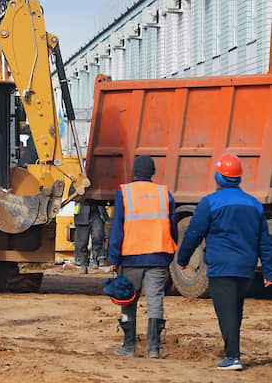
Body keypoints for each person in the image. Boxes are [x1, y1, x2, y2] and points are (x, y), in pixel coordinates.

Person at [177, 153, 272, 371]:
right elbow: (264, 242)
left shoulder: (210, 202)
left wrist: (182, 260)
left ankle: (233, 357)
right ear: (238, 178)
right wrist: (268, 272)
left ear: (218, 177)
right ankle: (232, 352)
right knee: (234, 309)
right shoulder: (254, 205)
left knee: (226, 311)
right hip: (246, 268)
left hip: (221, 267)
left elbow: (193, 234)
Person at [108, 155, 177, 359]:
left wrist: (113, 258)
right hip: (157, 256)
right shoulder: (164, 194)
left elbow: (117, 229)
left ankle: (129, 347)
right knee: (156, 301)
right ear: (152, 172)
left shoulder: (125, 193)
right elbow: (172, 227)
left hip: (131, 257)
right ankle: (153, 349)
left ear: (134, 172)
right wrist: (170, 251)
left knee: (127, 299)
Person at [73, 201, 108, 273]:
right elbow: (72, 194)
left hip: (97, 214)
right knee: (82, 243)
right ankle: (84, 265)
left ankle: (94, 260)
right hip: (82, 215)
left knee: (98, 237)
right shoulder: (75, 188)